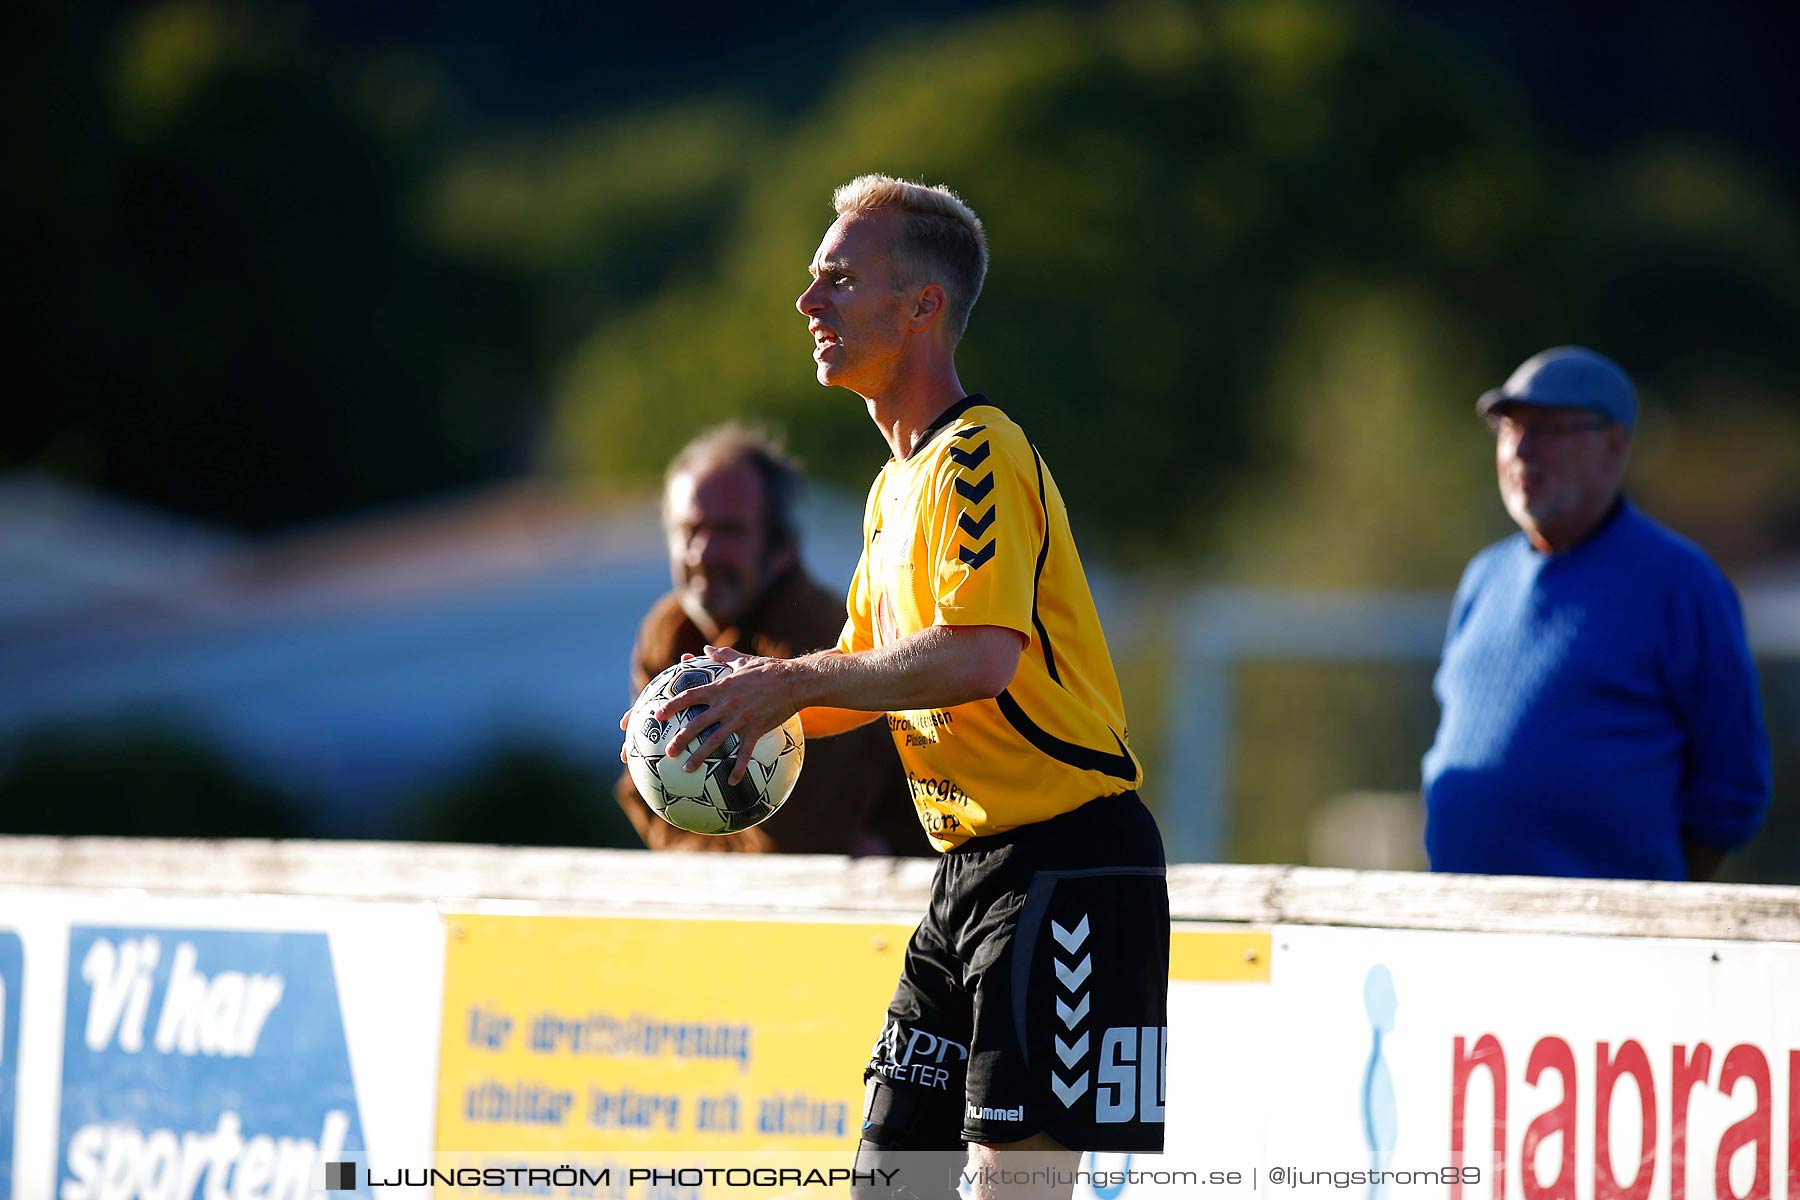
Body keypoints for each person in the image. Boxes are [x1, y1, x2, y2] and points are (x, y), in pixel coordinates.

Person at [624, 175, 1167, 1198]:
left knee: (1018, 1190)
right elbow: (864, 679)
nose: (808, 303)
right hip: (967, 875)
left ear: (921, 307)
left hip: (1067, 862)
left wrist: (785, 681)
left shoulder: (978, 453)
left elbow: (976, 656)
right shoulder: (892, 487)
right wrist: (727, 708)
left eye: (837, 278)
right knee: (891, 1180)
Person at [1422, 346, 1771, 881]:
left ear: (1615, 445)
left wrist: (1665, 915)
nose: (1522, 451)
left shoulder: (1679, 584)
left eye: (1550, 428)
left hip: (1611, 941)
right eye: (1510, 428)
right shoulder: (1484, 578)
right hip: (1466, 927)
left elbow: (1731, 790)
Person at [616, 423, 923, 856]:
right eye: (688, 529)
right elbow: (643, 796)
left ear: (782, 548)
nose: (702, 553)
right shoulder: (667, 631)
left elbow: (803, 842)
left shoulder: (818, 637)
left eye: (728, 531)